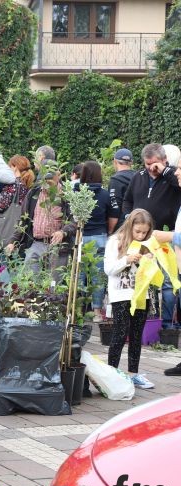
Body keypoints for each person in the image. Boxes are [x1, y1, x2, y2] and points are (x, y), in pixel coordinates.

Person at [122, 143, 181, 330]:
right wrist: (128, 217)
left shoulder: (173, 176)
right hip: (140, 237)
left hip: (164, 236)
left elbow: (178, 185)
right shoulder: (138, 176)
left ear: (164, 160)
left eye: (154, 163)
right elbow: (127, 200)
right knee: (140, 277)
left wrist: (164, 171)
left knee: (167, 281)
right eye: (147, 164)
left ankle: (167, 325)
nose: (150, 168)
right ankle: (142, 321)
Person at [104, 208, 155, 390]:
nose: (141, 236)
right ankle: (111, 374)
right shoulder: (115, 241)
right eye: (138, 231)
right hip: (121, 295)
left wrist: (149, 260)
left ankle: (133, 374)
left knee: (136, 335)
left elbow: (152, 273)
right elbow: (109, 269)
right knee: (119, 333)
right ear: (129, 226)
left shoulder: (148, 243)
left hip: (141, 294)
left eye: (145, 232)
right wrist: (127, 259)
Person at [5, 165, 76, 279]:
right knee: (30, 281)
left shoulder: (67, 195)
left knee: (53, 283)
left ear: (57, 177)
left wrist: (63, 232)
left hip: (57, 246)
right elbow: (23, 219)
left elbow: (74, 221)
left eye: (50, 181)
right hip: (36, 243)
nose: (47, 185)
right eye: (45, 181)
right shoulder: (34, 193)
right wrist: (13, 241)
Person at [79, 161, 115, 322]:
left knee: (79, 275)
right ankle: (97, 312)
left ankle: (78, 310)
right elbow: (112, 217)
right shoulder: (105, 195)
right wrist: (108, 232)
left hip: (81, 238)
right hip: (99, 237)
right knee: (98, 276)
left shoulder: (76, 192)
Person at [108, 148, 135, 232]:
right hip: (137, 223)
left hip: (122, 227)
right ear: (131, 162)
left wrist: (110, 231)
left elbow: (115, 207)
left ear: (115, 161)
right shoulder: (138, 177)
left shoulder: (116, 180)